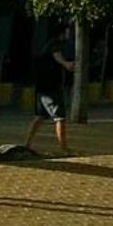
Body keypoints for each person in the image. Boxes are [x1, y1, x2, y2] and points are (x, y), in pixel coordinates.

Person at [23, 27, 77, 155]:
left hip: (43, 86)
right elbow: (57, 56)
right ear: (62, 33)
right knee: (60, 117)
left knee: (40, 117)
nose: (70, 34)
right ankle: (64, 149)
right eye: (68, 31)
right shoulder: (55, 44)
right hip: (50, 87)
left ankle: (27, 144)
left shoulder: (49, 45)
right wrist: (66, 64)